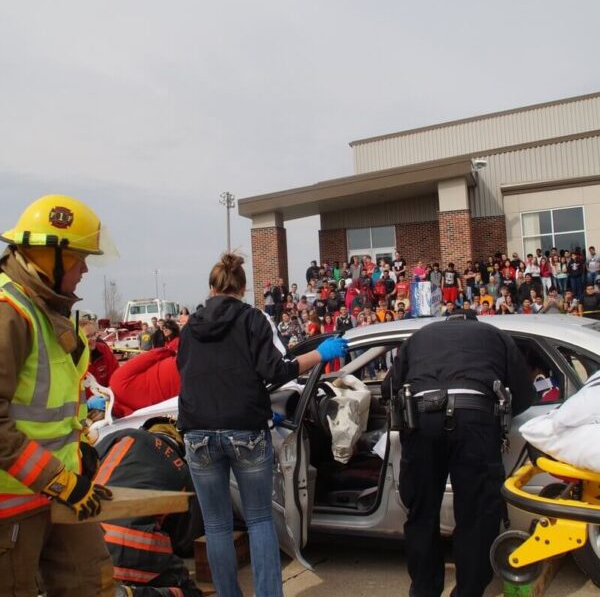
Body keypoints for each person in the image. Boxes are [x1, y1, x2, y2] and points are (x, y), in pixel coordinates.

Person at [177, 252, 348, 597]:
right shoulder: (253, 319)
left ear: (212, 288)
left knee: (216, 525)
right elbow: (278, 370)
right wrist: (321, 354)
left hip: (197, 433)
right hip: (246, 430)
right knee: (258, 521)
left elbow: (187, 372)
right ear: (242, 288)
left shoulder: (190, 326)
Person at [0, 195, 115, 595]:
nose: (85, 268)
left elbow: (59, 406)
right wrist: (58, 480)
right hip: (11, 505)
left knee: (93, 582)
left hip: (59, 493)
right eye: (80, 258)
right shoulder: (8, 311)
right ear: (50, 258)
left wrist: (80, 450)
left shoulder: (47, 309)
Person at [382, 310, 535, 597]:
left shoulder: (418, 336)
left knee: (422, 511)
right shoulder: (496, 335)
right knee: (476, 515)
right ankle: (468, 592)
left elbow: (388, 388)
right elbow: (525, 395)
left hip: (422, 421)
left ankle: (424, 590)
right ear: (474, 322)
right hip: (475, 422)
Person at [95, 418, 203, 596]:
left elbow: (84, 466)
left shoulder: (122, 436)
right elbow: (184, 541)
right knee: (188, 591)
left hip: (85, 537)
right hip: (136, 549)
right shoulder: (183, 472)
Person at [81, 319, 120, 389]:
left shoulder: (103, 350)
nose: (93, 339)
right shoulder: (74, 358)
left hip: (106, 397)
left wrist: (109, 391)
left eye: (94, 334)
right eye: (87, 336)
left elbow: (116, 374)